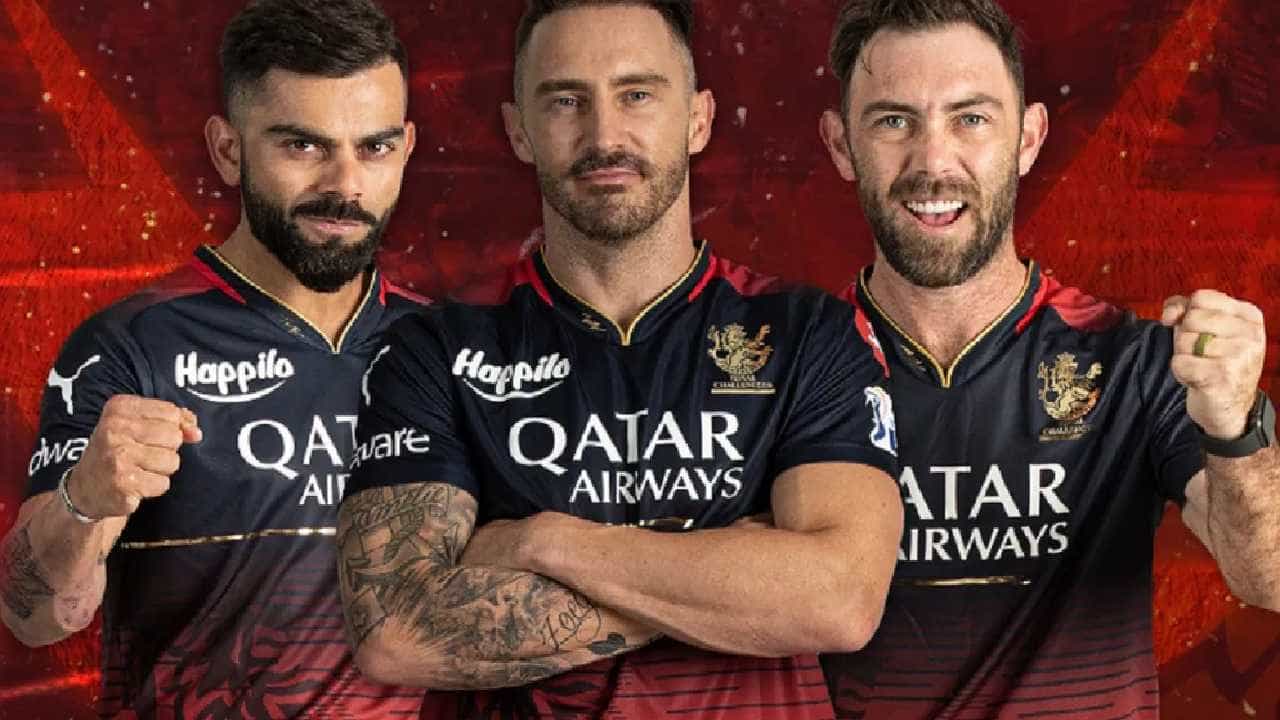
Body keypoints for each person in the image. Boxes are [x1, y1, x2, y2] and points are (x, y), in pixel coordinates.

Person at [336, 1, 903, 717]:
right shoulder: (432, 348)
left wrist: (545, 542)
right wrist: (744, 581)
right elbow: (396, 634)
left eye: (637, 95)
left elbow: (840, 601)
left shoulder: (809, 333)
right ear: (519, 129)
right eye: (565, 101)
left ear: (698, 118)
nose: (604, 136)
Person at [815, 0, 1280, 717]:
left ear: (1029, 138)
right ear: (842, 145)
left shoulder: (1133, 363)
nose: (934, 162)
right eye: (894, 121)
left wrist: (1235, 425)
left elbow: (1269, 577)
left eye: (971, 119)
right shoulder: (786, 369)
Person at [0, 0, 427, 715]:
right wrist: (83, 500)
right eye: (303, 146)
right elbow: (32, 616)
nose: (346, 184)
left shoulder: (449, 346)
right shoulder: (130, 345)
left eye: (375, 147)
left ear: (407, 147)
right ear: (228, 150)